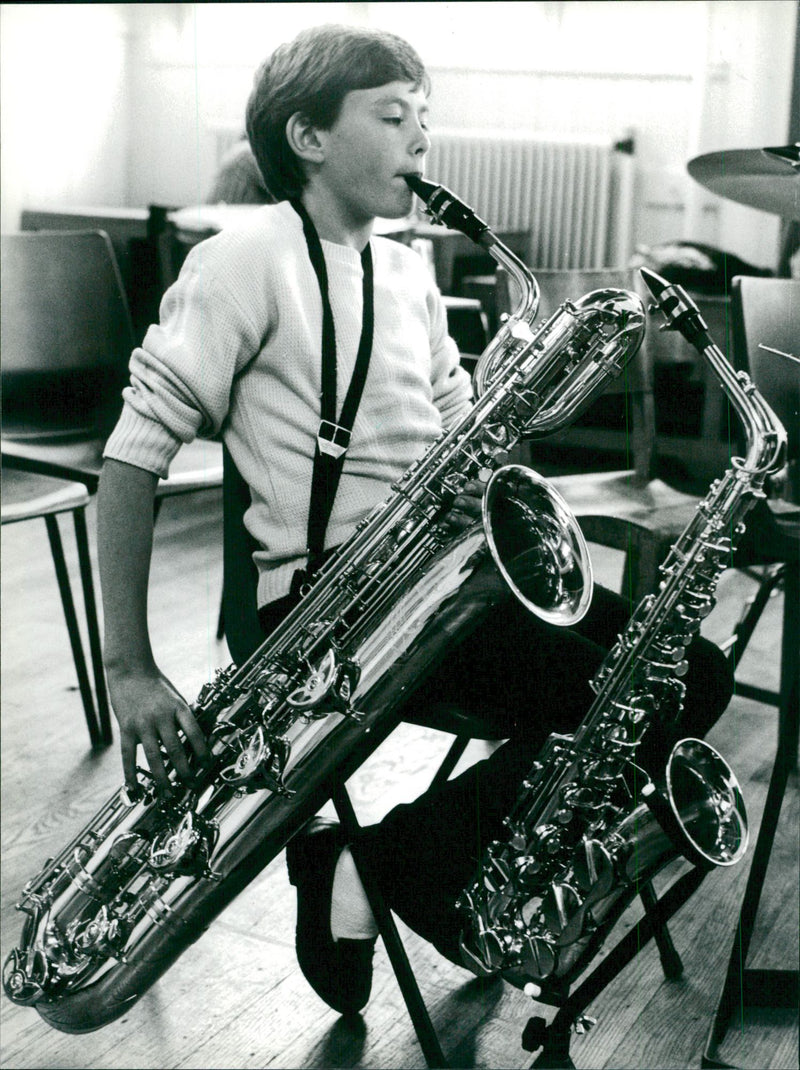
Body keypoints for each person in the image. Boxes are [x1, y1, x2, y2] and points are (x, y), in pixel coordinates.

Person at [97, 24, 733, 1020]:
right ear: (306, 136)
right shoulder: (243, 258)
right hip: (328, 618)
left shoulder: (404, 274)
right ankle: (412, 867)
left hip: (433, 587)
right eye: (392, 116)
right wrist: (129, 667)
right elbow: (130, 461)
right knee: (610, 694)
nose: (420, 139)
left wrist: (507, 431)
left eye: (423, 118)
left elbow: (454, 446)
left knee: (686, 672)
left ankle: (378, 859)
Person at [206, 135, 276, 205]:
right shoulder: (248, 154)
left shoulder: (241, 151)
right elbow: (280, 186)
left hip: (220, 210)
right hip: (229, 212)